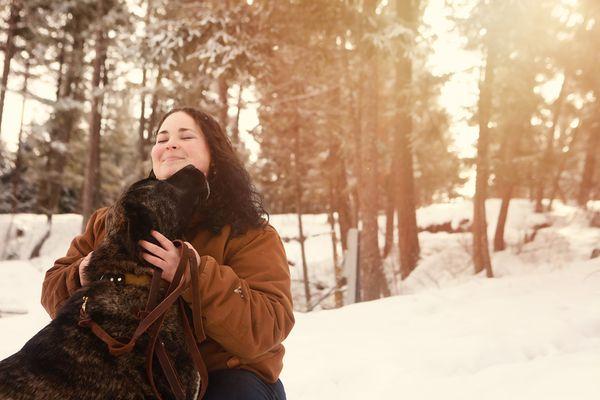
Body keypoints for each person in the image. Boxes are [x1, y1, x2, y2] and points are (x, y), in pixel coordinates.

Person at [41, 107, 294, 400]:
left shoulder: (250, 233)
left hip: (226, 378)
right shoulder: (111, 221)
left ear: (215, 155)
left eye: (185, 136)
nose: (170, 144)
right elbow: (51, 292)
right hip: (131, 375)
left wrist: (194, 276)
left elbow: (266, 328)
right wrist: (85, 271)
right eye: (162, 139)